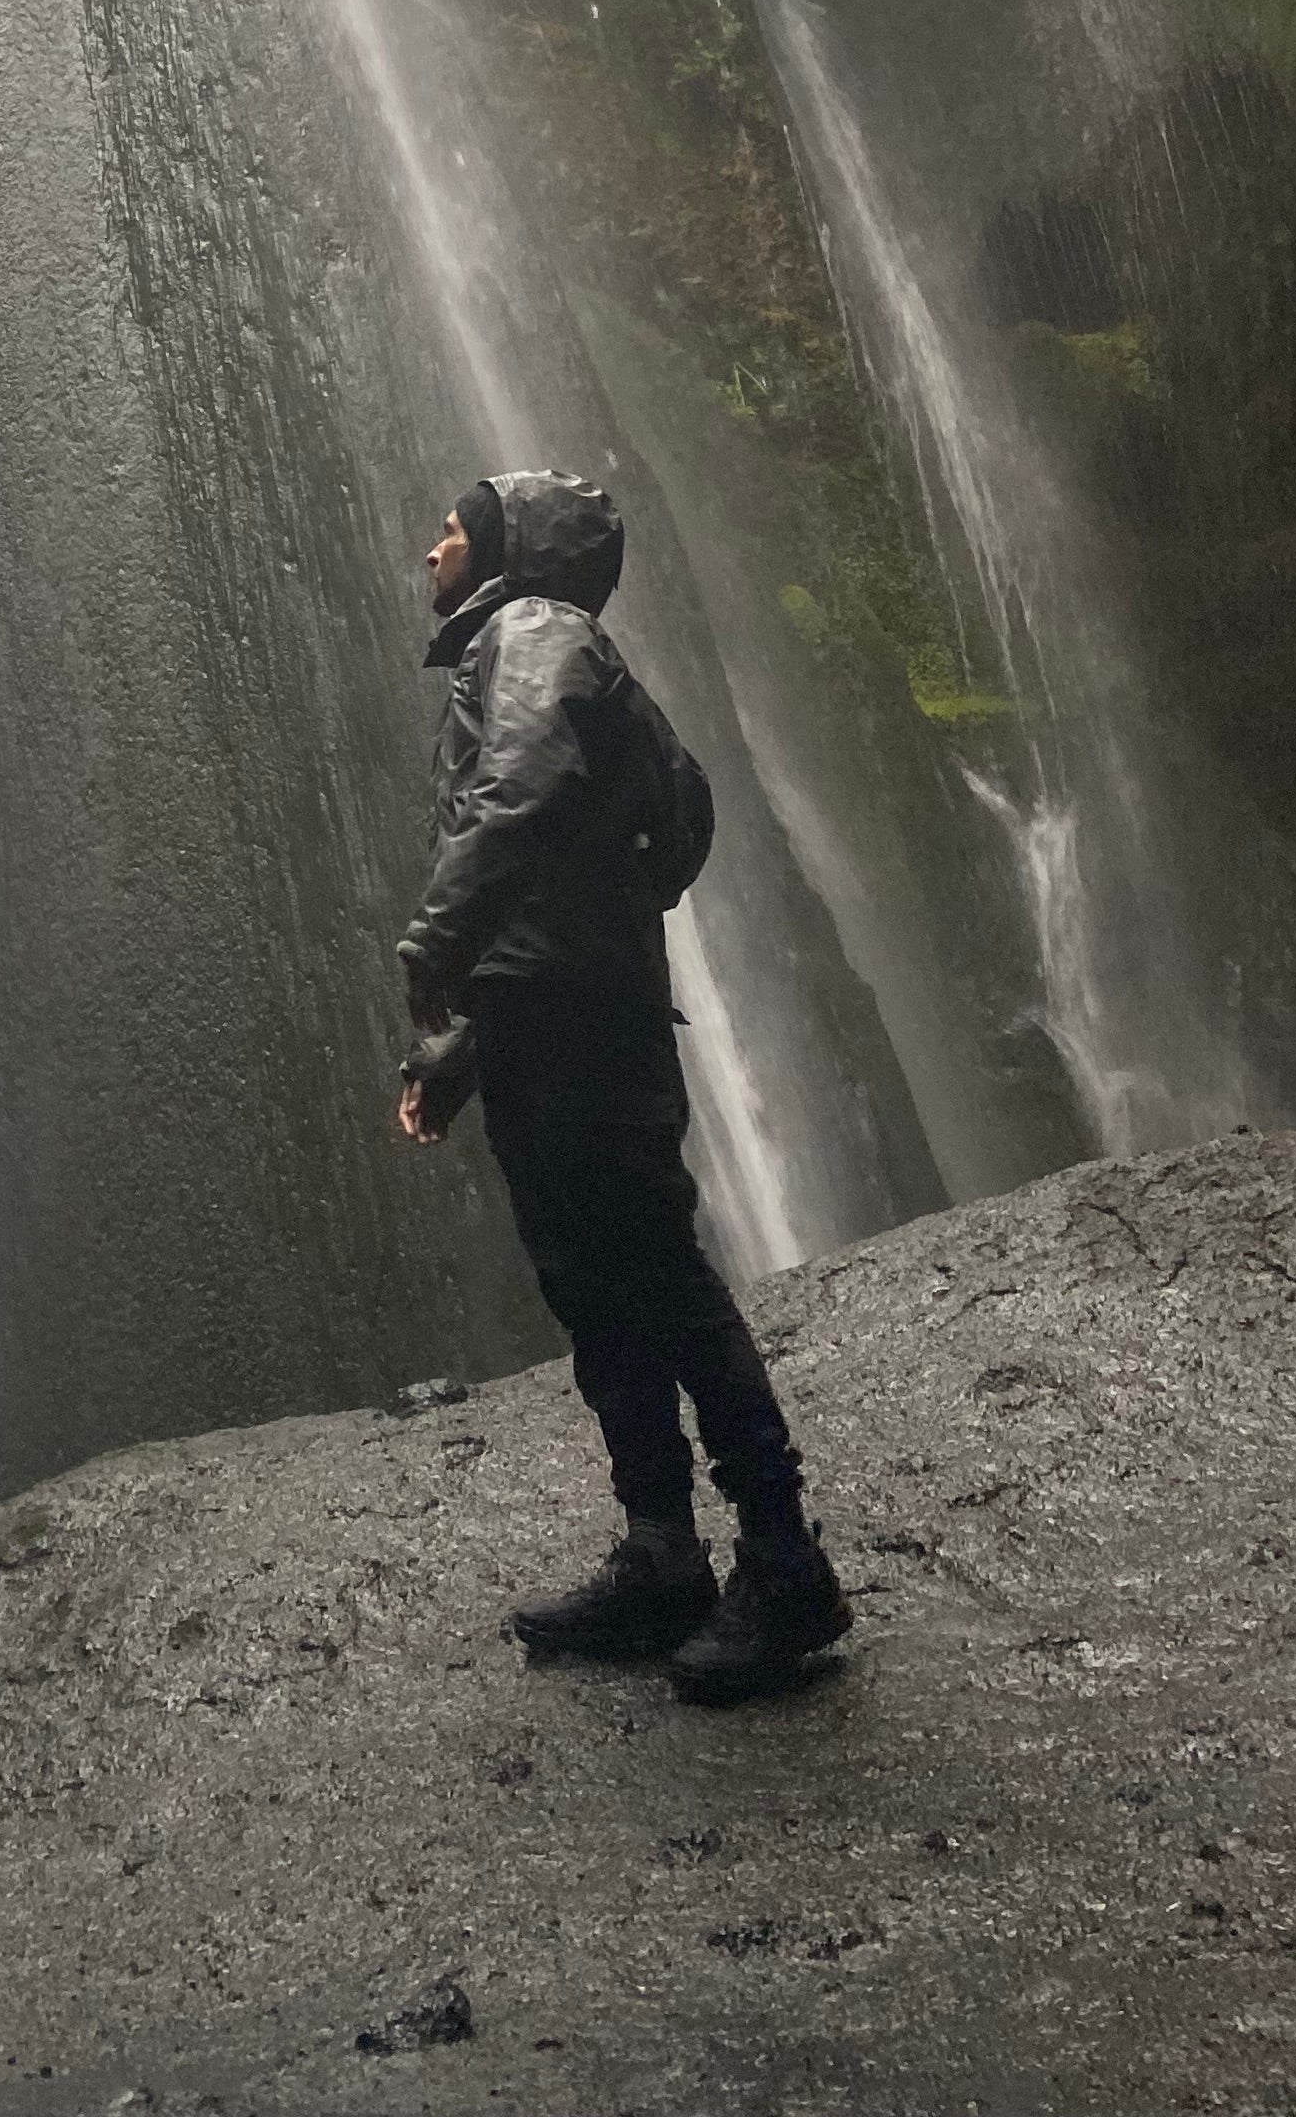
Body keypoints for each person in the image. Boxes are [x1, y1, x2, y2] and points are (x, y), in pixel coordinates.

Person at [392, 469, 849, 1705]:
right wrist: (460, 1056)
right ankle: (661, 1552)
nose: (430, 548)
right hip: (557, 1027)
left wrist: (434, 941)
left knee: (659, 1281)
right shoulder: (539, 648)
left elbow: (522, 794)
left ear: (510, 549)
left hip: (586, 1036)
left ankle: (784, 1559)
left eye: (451, 530)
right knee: (598, 1291)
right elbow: (596, 873)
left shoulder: (534, 631)